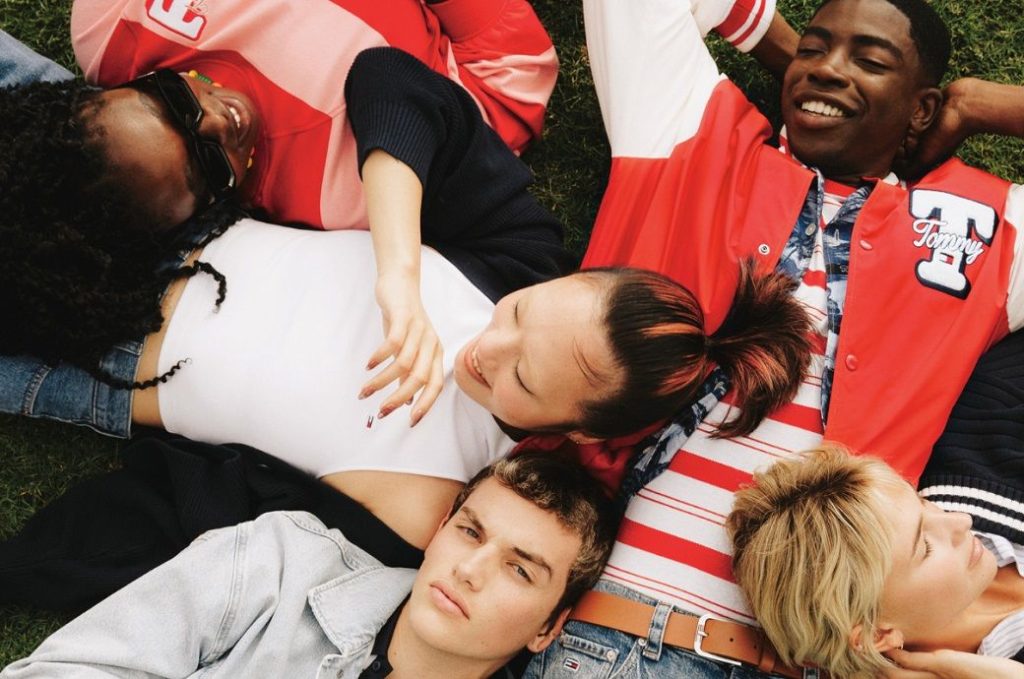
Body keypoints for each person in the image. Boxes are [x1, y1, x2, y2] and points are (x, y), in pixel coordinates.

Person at [0, 47, 813, 553]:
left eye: (523, 379)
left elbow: (220, 523)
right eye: (521, 317)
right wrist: (399, 274)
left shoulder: (434, 505)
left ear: (575, 429)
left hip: (101, 365)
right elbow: (387, 80)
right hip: (155, 202)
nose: (486, 351)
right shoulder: (516, 260)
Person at [526, 0, 1024, 677]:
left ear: (922, 107)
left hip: (815, 660)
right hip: (626, 643)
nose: (828, 69)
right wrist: (788, 53)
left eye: (870, 61)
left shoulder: (989, 229)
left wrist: (977, 105)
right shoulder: (693, 134)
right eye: (815, 49)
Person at [1, 0, 556, 421]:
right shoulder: (350, 192)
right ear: (205, 212)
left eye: (172, 99)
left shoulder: (111, 26)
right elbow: (513, 72)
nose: (220, 119)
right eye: (208, 164)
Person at [0, 451, 620, 679]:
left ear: (548, 628)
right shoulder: (283, 560)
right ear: (439, 534)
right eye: (470, 532)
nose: (470, 570)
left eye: (520, 569)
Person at [728, 444, 1024, 679]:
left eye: (923, 503)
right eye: (925, 548)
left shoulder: (976, 446)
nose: (961, 520)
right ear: (877, 635)